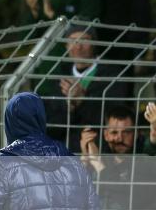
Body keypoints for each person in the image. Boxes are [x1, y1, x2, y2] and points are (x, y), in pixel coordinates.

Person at [36, 25, 133, 153]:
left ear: (94, 43)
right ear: (66, 46)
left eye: (84, 40)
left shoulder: (113, 75)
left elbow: (115, 119)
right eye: (72, 41)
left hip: (101, 153)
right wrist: (70, 108)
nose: (78, 46)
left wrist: (82, 100)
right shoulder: (59, 76)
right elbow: (50, 125)